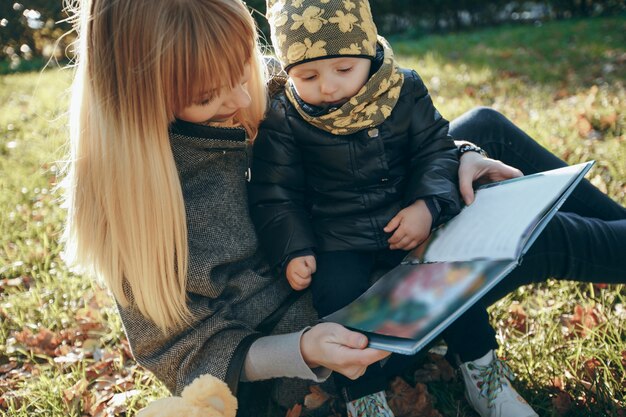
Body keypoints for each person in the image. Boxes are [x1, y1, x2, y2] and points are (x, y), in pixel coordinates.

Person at [61, 0, 626, 416]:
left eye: (241, 70)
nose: (239, 99)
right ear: (141, 103)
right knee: (535, 239)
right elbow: (181, 357)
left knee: (483, 126)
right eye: (208, 97)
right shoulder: (144, 206)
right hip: (340, 339)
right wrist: (301, 348)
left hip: (375, 240)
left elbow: (379, 145)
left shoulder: (283, 94)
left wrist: (458, 160)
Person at [247, 1, 534, 416]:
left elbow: (434, 151)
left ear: (367, 53)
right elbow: (277, 193)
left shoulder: (403, 90)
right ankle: (364, 397)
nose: (328, 87)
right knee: (339, 302)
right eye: (308, 75)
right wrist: (293, 248)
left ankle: (481, 366)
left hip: (408, 218)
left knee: (450, 278)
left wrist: (427, 205)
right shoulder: (286, 118)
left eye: (343, 69)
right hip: (338, 236)